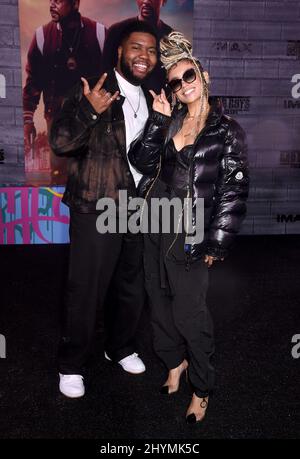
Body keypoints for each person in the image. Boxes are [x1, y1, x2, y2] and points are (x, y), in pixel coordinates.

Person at [129, 31, 249, 423]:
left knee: (189, 314)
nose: (183, 86)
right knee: (159, 305)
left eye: (189, 77)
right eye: (176, 82)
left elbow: (232, 192)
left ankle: (203, 386)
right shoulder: (169, 120)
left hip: (191, 232)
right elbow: (143, 162)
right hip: (155, 221)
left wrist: (216, 243)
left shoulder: (227, 130)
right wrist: (157, 121)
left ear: (204, 75)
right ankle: (174, 363)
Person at [49, 20, 158, 398]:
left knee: (131, 285)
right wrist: (89, 112)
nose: (143, 56)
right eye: (136, 48)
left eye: (151, 50)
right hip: (96, 203)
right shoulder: (90, 88)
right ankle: (71, 364)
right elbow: (61, 143)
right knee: (87, 289)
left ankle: (120, 346)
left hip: (138, 204)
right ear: (119, 52)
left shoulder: (153, 94)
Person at [23, 0, 106, 177]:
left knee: (94, 175)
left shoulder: (99, 33)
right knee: (59, 174)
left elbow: (113, 77)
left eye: (58, 0)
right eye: (50, 0)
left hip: (94, 118)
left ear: (75, 4)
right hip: (57, 120)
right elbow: (33, 82)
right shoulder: (42, 36)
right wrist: (28, 119)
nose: (52, 4)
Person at [102, 0, 172, 93]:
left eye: (151, 51)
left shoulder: (171, 38)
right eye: (135, 47)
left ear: (164, 1)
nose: (146, 1)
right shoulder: (116, 31)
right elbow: (105, 72)